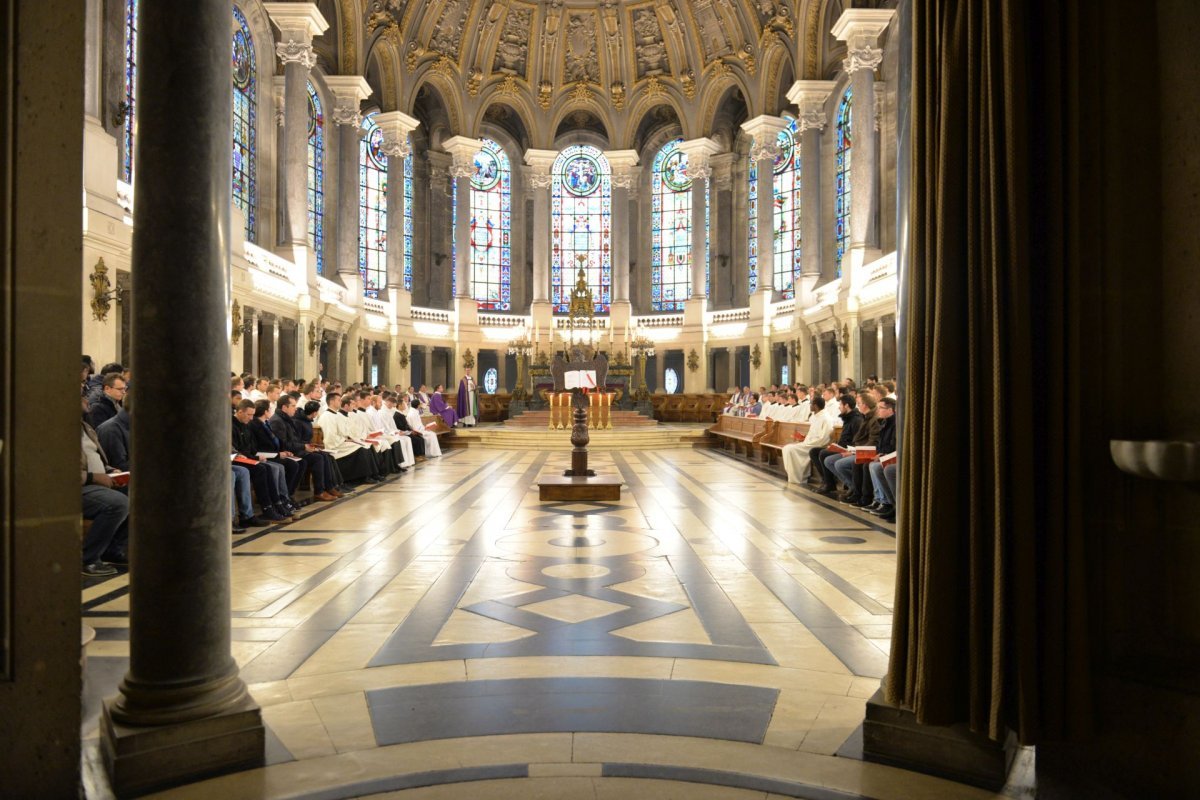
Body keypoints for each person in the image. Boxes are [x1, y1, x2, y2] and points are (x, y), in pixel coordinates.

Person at [81, 393, 129, 576]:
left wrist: (109, 470)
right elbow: (62, 472)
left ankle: (113, 550)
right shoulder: (61, 433)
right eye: (82, 398)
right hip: (78, 487)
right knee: (117, 503)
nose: (87, 401)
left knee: (135, 493)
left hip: (96, 480)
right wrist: (94, 477)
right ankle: (89, 559)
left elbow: (95, 458)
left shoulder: (85, 427)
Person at [270, 394, 338, 501]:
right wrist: (304, 447)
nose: (295, 408)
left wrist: (307, 446)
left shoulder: (287, 419)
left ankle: (328, 487)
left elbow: (294, 439)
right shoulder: (278, 421)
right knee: (316, 458)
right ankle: (316, 491)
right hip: (287, 452)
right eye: (293, 406)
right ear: (284, 407)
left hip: (295, 449)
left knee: (323, 455)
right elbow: (284, 444)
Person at [782, 397, 833, 484]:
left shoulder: (826, 418)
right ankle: (793, 476)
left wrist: (808, 443)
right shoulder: (815, 416)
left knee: (790, 449)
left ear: (815, 406)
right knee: (786, 448)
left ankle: (799, 477)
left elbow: (824, 438)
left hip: (816, 445)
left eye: (811, 404)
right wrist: (804, 438)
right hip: (808, 443)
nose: (810, 406)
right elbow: (813, 433)